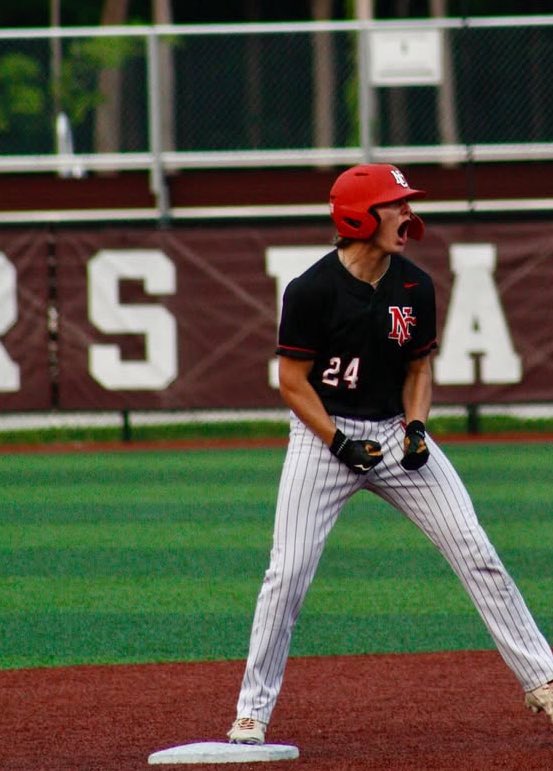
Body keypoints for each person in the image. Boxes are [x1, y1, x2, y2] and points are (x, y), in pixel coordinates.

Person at [227, 163, 553, 745]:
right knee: (288, 573)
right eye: (394, 204)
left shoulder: (414, 286)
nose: (407, 213)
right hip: (324, 439)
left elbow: (418, 370)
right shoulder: (310, 291)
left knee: (475, 549)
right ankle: (251, 713)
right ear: (358, 216)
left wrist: (419, 427)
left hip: (395, 433)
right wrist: (337, 441)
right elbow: (293, 383)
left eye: (405, 203)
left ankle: (544, 680)